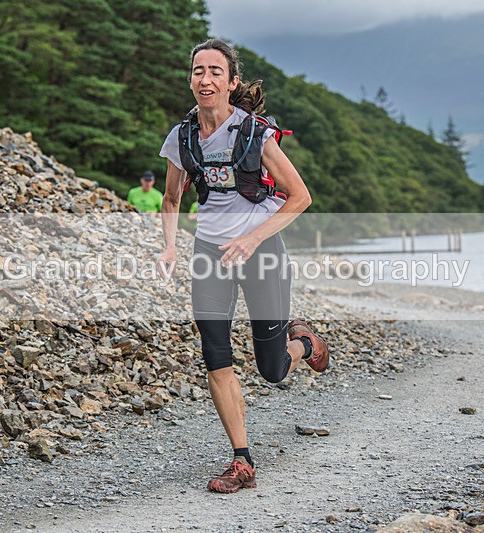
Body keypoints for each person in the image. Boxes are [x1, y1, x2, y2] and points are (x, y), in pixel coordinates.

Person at [158, 38, 329, 493]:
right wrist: (171, 247)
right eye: (198, 71)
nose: (205, 78)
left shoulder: (253, 132)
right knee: (215, 356)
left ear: (232, 82)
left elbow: (301, 196)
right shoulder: (182, 136)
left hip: (261, 253)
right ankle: (242, 460)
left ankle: (304, 343)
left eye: (216, 71)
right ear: (190, 79)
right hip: (210, 255)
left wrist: (253, 238)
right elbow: (172, 197)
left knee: (271, 369)